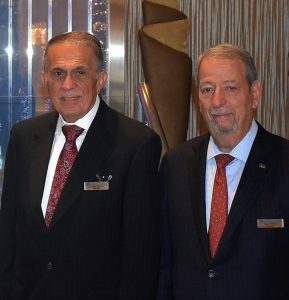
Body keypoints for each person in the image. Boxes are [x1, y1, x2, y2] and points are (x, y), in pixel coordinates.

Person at [0, 31, 161, 300]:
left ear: (101, 80)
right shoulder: (24, 137)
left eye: (81, 73)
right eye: (58, 73)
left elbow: (140, 258)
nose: (67, 84)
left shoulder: (136, 145)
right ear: (44, 80)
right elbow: (8, 235)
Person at [158, 43, 289, 300]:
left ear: (255, 94)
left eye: (230, 88)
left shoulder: (284, 161)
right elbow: (164, 263)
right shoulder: (176, 164)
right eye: (207, 89)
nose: (217, 101)